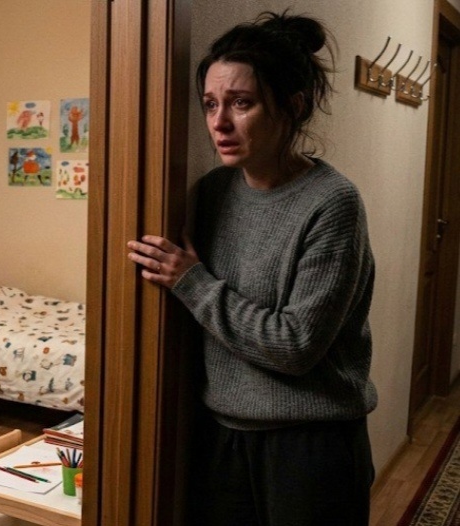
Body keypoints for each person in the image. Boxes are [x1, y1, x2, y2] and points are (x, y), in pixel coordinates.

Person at [126, 11, 377, 526]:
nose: (219, 122)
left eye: (241, 103)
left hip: (310, 447)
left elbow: (296, 346)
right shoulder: (212, 193)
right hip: (222, 436)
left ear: (292, 106)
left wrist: (191, 281)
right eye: (210, 104)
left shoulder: (332, 203)